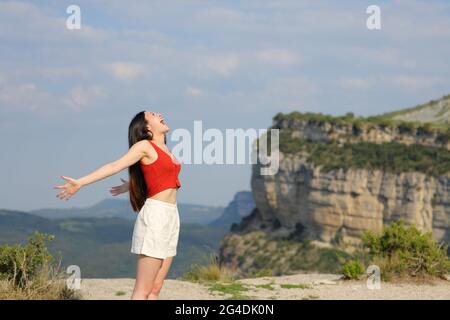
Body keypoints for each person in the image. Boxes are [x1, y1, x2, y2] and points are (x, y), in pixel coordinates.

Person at [54, 110, 182, 300]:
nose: (160, 114)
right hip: (156, 216)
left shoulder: (166, 149)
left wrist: (131, 185)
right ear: (147, 127)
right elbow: (114, 166)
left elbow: (158, 177)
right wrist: (80, 182)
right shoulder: (144, 146)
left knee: (156, 287)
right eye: (153, 114)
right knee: (142, 291)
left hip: (172, 215)